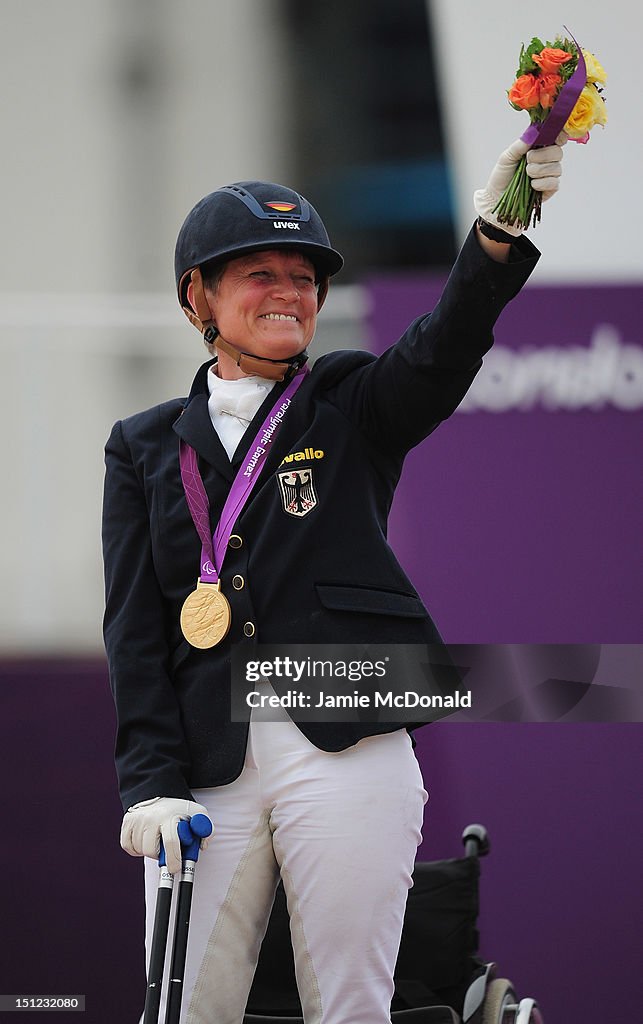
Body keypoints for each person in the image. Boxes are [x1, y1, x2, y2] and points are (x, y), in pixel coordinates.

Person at [102, 137, 565, 1024]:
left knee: (351, 1006)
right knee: (184, 1010)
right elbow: (134, 630)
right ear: (197, 296)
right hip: (205, 766)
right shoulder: (142, 444)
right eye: (257, 273)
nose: (287, 291)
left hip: (346, 746)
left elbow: (441, 349)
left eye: (303, 276)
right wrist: (148, 785)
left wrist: (497, 234)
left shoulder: (349, 402)